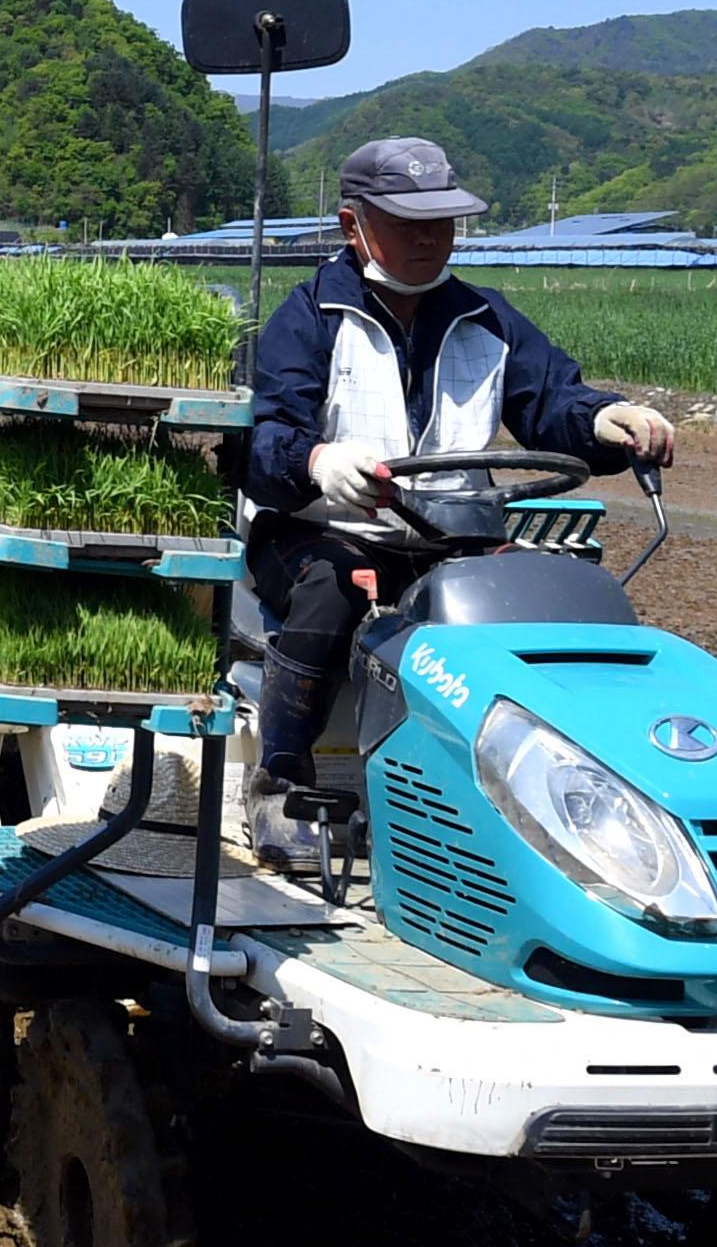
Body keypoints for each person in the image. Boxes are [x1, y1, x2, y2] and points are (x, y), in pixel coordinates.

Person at [232, 135, 676, 833]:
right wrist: (316, 462)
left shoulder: (488, 319)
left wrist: (606, 418)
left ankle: (559, 800)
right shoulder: (309, 317)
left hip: (451, 539)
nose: (431, 240)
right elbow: (260, 436)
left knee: (556, 592)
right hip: (320, 530)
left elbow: (552, 400)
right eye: (410, 225)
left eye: (443, 224)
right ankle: (281, 777)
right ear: (354, 226)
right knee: (334, 586)